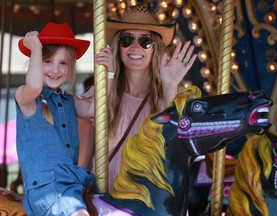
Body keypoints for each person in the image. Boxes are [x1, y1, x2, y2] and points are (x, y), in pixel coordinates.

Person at [78, 4, 197, 192]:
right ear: (118, 46)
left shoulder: (170, 94)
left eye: (145, 41)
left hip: (152, 198)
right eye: (127, 39)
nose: (135, 47)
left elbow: (175, 148)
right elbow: (81, 161)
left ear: (154, 49)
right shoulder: (100, 93)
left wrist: (169, 86)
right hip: (109, 198)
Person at [15, 22, 95, 216]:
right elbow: (34, 86)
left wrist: (107, 75)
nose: (55, 69)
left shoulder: (69, 101)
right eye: (47, 61)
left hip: (71, 183)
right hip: (47, 189)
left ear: (71, 67)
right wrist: (35, 49)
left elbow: (95, 111)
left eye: (63, 63)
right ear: (35, 61)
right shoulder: (26, 97)